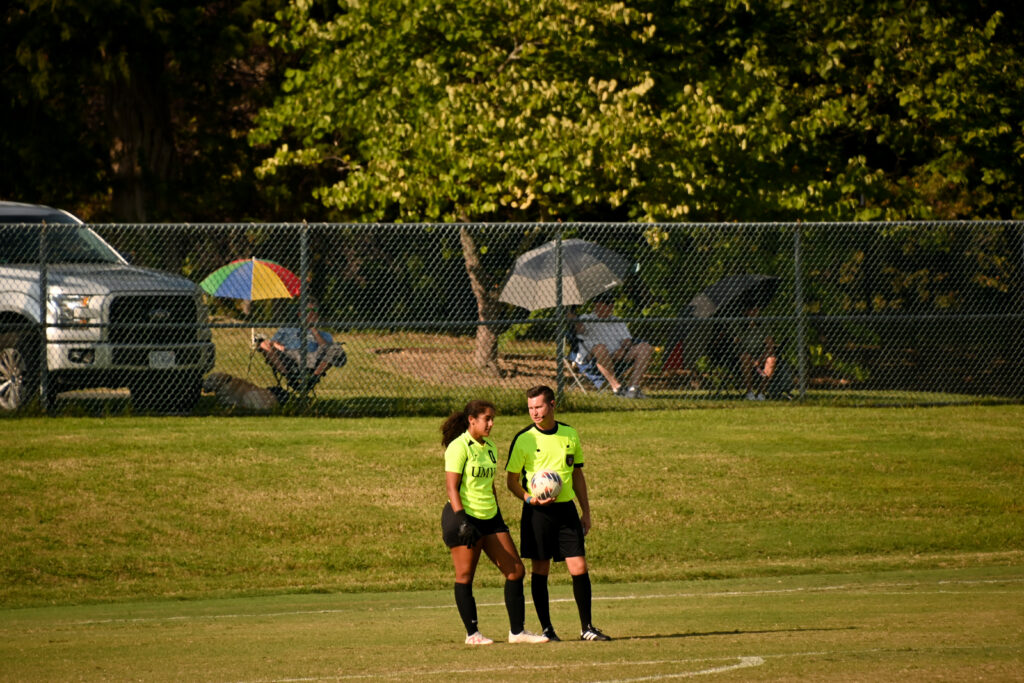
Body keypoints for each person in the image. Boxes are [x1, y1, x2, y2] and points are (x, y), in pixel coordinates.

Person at [505, 385, 611, 642]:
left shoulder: (570, 434)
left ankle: (587, 627)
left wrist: (586, 511)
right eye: (530, 408)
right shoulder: (524, 438)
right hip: (537, 513)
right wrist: (530, 498)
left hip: (566, 511)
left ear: (553, 405)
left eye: (539, 407)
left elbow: (577, 474)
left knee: (579, 566)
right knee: (541, 569)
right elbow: (511, 481)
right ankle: (547, 630)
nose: (535, 413)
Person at [441, 399, 549, 646]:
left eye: (492, 419)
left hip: (491, 516)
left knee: (515, 571)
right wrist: (462, 521)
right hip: (464, 517)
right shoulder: (459, 447)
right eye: (486, 419)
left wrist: (497, 515)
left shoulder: (490, 446)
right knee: (465, 575)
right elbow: (451, 487)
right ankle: (472, 634)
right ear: (472, 420)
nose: (490, 424)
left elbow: (489, 485)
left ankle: (517, 632)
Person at [573, 294, 653, 399]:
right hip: (594, 358)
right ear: (597, 305)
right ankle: (617, 388)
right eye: (607, 303)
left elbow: (627, 341)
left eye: (612, 303)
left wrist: (623, 350)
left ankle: (633, 388)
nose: (611, 306)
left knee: (645, 347)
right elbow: (579, 330)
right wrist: (571, 315)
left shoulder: (618, 320)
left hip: (619, 354)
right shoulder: (585, 318)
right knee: (600, 348)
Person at [257, 297, 344, 388]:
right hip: (289, 357)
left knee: (336, 349)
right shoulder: (287, 329)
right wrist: (278, 346)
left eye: (314, 310)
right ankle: (290, 377)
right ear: (299, 314)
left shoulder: (325, 335)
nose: (311, 313)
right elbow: (272, 342)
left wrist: (313, 330)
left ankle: (314, 378)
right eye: (307, 311)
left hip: (312, 358)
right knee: (263, 344)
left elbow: (326, 349)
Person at [736, 306, 778, 401]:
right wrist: (752, 360)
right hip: (746, 354)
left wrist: (759, 359)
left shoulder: (763, 324)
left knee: (771, 360)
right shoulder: (740, 325)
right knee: (745, 358)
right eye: (751, 310)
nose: (753, 312)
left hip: (761, 354)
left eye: (756, 310)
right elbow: (737, 345)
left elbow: (770, 345)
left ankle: (761, 393)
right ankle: (749, 392)